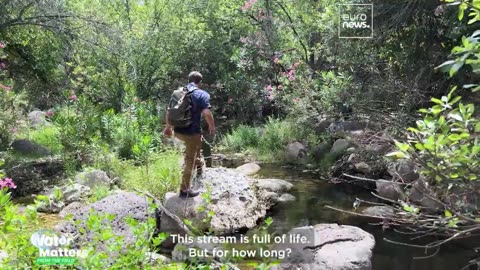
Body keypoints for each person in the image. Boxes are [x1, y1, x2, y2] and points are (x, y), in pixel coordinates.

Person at [163, 71, 215, 198]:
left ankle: (199, 167)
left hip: (178, 131)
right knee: (190, 159)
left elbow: (169, 112)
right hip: (192, 133)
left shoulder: (178, 92)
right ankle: (184, 189)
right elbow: (207, 113)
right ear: (200, 82)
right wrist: (212, 126)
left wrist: (168, 127)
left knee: (196, 147)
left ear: (189, 80)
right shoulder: (202, 94)